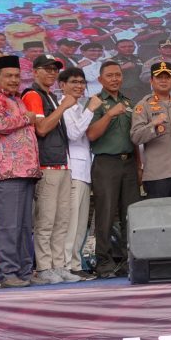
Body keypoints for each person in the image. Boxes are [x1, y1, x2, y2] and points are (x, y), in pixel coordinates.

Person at [0, 55, 43, 288]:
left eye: (17, 76)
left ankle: (25, 271)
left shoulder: (18, 100)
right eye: (8, 76)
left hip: (26, 171)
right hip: (5, 172)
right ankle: (7, 273)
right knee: (7, 225)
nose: (14, 80)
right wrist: (27, 118)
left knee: (25, 226)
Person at [22, 54, 82, 284]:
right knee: (46, 221)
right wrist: (64, 106)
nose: (51, 73)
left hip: (62, 164)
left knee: (61, 220)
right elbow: (42, 129)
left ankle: (59, 265)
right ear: (35, 71)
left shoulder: (51, 96)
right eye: (46, 69)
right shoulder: (33, 95)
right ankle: (45, 267)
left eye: (54, 69)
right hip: (46, 165)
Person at [86, 61, 141, 279]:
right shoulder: (95, 102)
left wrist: (139, 166)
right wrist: (109, 115)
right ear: (100, 79)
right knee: (106, 215)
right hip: (105, 163)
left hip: (129, 163)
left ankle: (131, 262)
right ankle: (104, 264)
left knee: (131, 215)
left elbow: (134, 137)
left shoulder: (129, 102)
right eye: (109, 75)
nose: (115, 79)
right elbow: (91, 134)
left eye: (118, 75)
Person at [58, 67, 102, 280]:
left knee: (81, 223)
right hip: (72, 172)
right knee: (71, 222)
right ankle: (66, 265)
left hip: (84, 172)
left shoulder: (77, 108)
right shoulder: (64, 107)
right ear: (62, 85)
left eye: (82, 82)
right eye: (73, 82)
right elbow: (74, 134)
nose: (79, 86)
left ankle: (75, 264)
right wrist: (91, 109)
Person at [131, 62, 171, 198]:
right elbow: (135, 137)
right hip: (158, 174)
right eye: (159, 77)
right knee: (159, 211)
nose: (164, 81)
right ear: (151, 80)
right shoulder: (143, 105)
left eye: (167, 77)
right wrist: (153, 125)